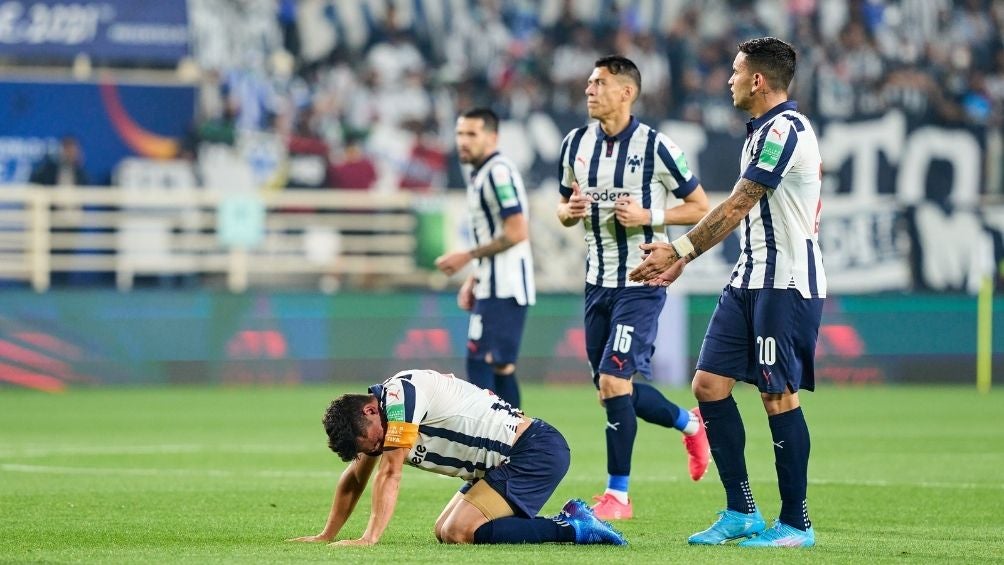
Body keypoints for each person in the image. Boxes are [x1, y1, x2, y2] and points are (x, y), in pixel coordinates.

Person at [629, 37, 825, 548]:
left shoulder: (785, 129)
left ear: (758, 80)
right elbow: (744, 213)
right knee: (708, 386)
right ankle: (741, 510)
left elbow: (740, 203)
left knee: (776, 396)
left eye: (736, 72)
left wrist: (679, 252)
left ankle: (796, 523)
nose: (729, 80)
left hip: (784, 283)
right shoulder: (760, 132)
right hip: (747, 277)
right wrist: (683, 261)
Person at [556, 55, 711, 521]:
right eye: (587, 82)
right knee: (611, 389)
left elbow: (701, 206)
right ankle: (689, 422)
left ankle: (618, 497)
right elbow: (562, 209)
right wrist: (572, 211)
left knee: (613, 380)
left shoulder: (658, 147)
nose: (589, 90)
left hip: (640, 283)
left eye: (599, 83)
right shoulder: (574, 145)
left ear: (627, 92)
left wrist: (650, 218)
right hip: (595, 282)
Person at [289, 369, 627, 546]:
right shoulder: (380, 420)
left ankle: (572, 528)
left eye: (371, 442)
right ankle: (570, 523)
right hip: (507, 460)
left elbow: (390, 473)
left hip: (533, 451)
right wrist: (327, 535)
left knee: (459, 532)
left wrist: (369, 538)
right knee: (444, 531)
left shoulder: (400, 396)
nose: (374, 451)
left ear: (369, 409)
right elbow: (355, 477)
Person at [434, 109, 535, 409]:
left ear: (492, 137)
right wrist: (475, 276)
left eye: (471, 134)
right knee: (497, 365)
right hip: (493, 282)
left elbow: (516, 231)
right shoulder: (481, 173)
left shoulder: (498, 172)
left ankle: (499, 443)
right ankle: (512, 445)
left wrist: (466, 256)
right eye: (460, 134)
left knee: (482, 362)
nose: (463, 141)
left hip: (506, 285)